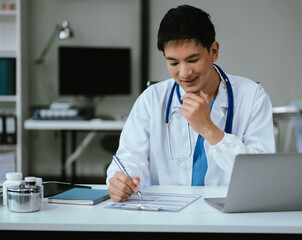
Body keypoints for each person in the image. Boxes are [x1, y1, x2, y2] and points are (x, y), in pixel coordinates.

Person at [106, 4, 275, 202]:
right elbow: (130, 159)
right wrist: (121, 180)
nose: (184, 73)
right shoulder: (152, 99)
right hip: (166, 213)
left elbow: (262, 175)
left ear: (214, 50)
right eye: (173, 63)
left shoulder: (252, 97)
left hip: (231, 212)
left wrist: (209, 129)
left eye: (193, 60)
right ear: (164, 57)